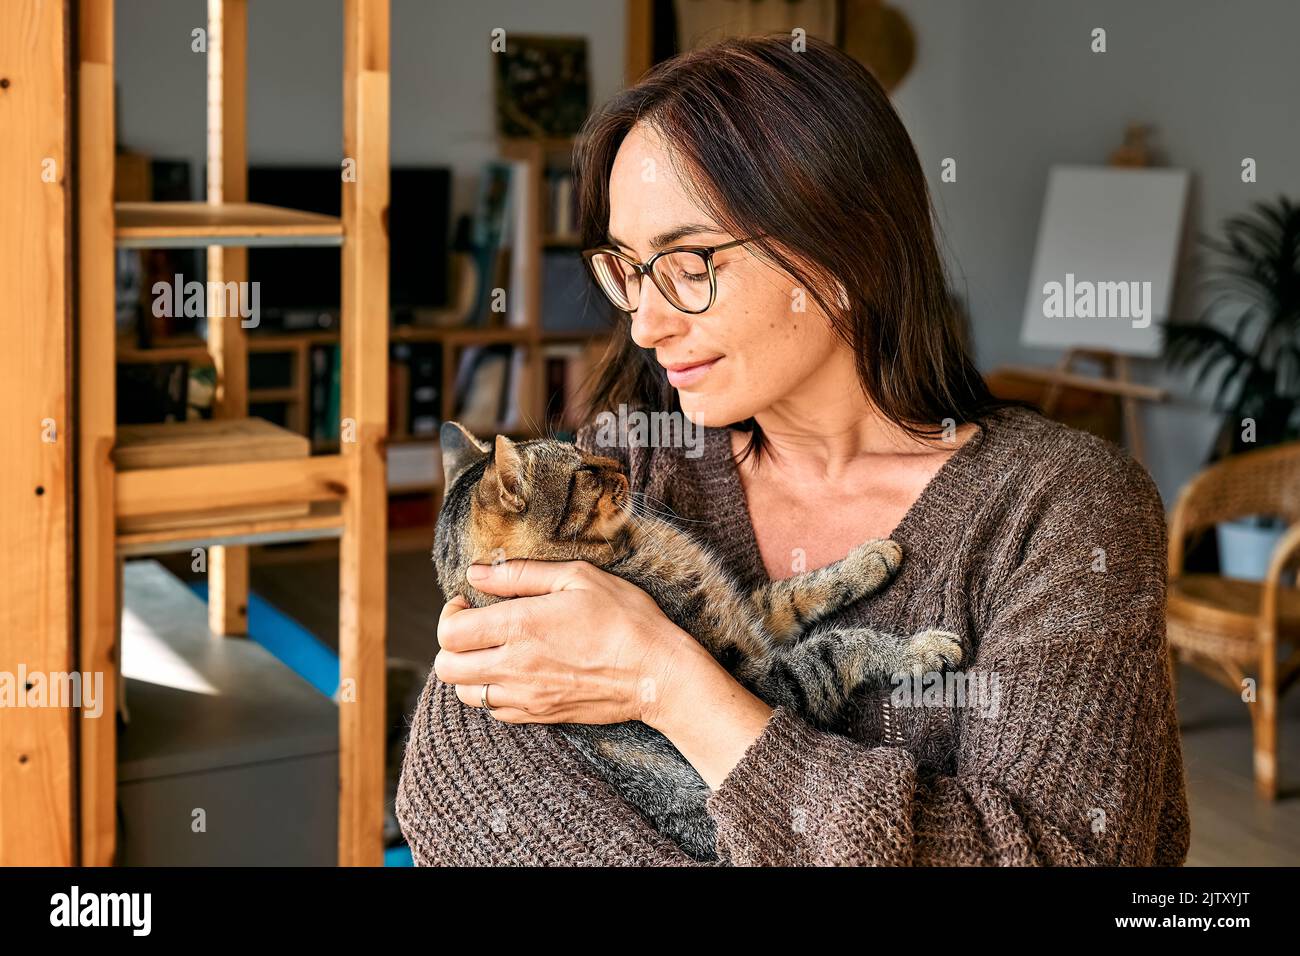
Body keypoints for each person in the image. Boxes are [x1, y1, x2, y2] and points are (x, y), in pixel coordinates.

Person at [395, 35, 1189, 866]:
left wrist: (668, 682)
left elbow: (1062, 853)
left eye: (688, 261)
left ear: (842, 250)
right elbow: (457, 776)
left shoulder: (1064, 509)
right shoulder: (628, 462)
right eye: (626, 269)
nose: (644, 321)